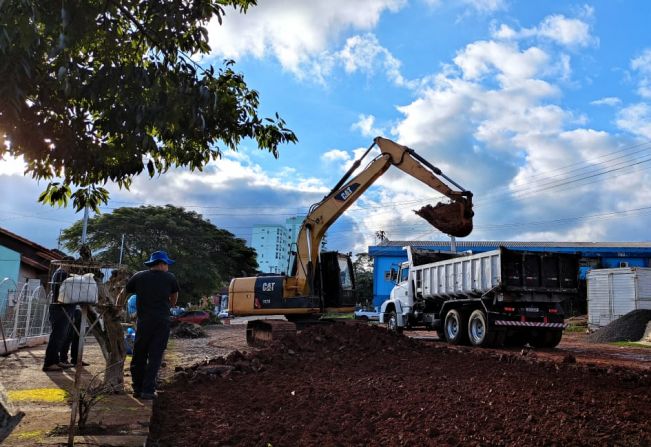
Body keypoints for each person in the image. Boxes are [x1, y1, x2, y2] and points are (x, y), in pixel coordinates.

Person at [120, 251, 179, 400]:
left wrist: (117, 306)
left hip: (144, 322)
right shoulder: (170, 278)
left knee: (139, 354)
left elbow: (123, 292)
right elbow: (174, 298)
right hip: (162, 322)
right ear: (162, 264)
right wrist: (169, 304)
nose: (168, 268)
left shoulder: (139, 276)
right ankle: (148, 390)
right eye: (167, 264)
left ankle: (137, 388)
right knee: (155, 356)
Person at [43, 257, 76, 371]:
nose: (72, 267)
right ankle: (49, 362)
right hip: (60, 308)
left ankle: (57, 361)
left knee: (63, 336)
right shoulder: (61, 274)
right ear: (64, 263)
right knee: (57, 336)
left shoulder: (63, 274)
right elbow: (63, 293)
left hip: (64, 308)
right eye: (70, 264)